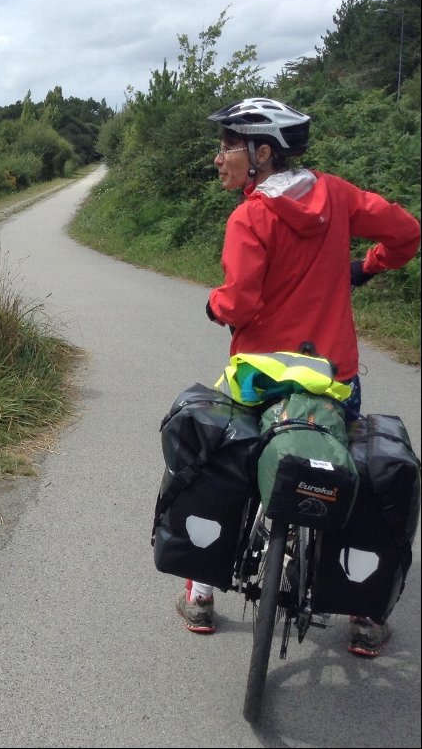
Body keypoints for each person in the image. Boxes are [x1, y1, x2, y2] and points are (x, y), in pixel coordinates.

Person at [176, 96, 421, 657]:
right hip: (332, 375)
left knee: (229, 462)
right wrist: (368, 266)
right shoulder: (336, 195)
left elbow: (238, 303)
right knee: (344, 468)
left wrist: (215, 305)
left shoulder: (250, 216)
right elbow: (406, 231)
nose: (219, 158)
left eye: (228, 145)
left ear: (263, 153)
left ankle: (202, 590)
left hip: (260, 377)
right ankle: (363, 610)